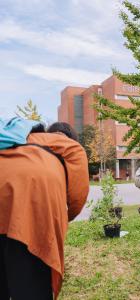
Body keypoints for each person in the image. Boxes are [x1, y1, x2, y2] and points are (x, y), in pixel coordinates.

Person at [0, 118, 89, 299]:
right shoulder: (69, 146)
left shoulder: (21, 138)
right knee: (31, 284)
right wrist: (67, 217)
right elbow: (78, 195)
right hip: (30, 209)